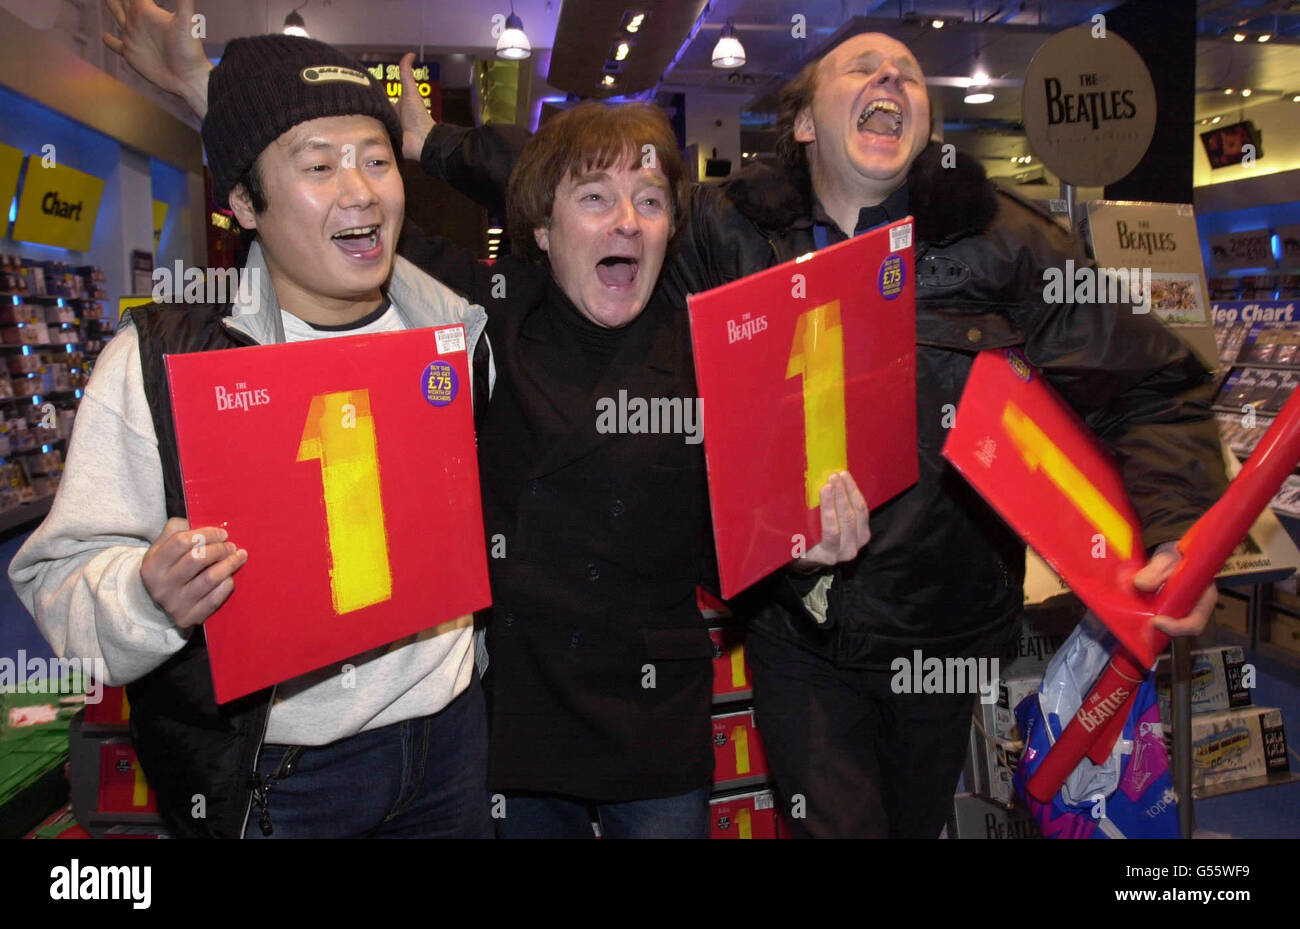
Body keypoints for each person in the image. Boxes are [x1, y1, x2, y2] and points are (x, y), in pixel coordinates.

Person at [396, 33, 1228, 838]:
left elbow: (1154, 382)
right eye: (861, 66)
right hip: (797, 628)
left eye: (908, 74)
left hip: (943, 626)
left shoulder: (1006, 240)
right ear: (803, 122)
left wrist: (1180, 530)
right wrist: (434, 145)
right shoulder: (728, 233)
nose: (890, 80)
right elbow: (584, 185)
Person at [96, 0, 872, 838]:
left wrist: (803, 551)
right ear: (541, 226)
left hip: (654, 728)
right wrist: (201, 87)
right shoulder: (482, 316)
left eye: (649, 200)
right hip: (517, 735)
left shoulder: (706, 353)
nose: (625, 220)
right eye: (596, 196)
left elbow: (729, 542)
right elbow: (336, 222)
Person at [10, 32, 496, 839]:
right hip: (285, 777)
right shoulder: (163, 361)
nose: (360, 192)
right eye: (317, 166)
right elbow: (59, 579)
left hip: (451, 747)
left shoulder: (453, 331)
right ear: (243, 204)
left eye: (375, 160)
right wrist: (145, 594)